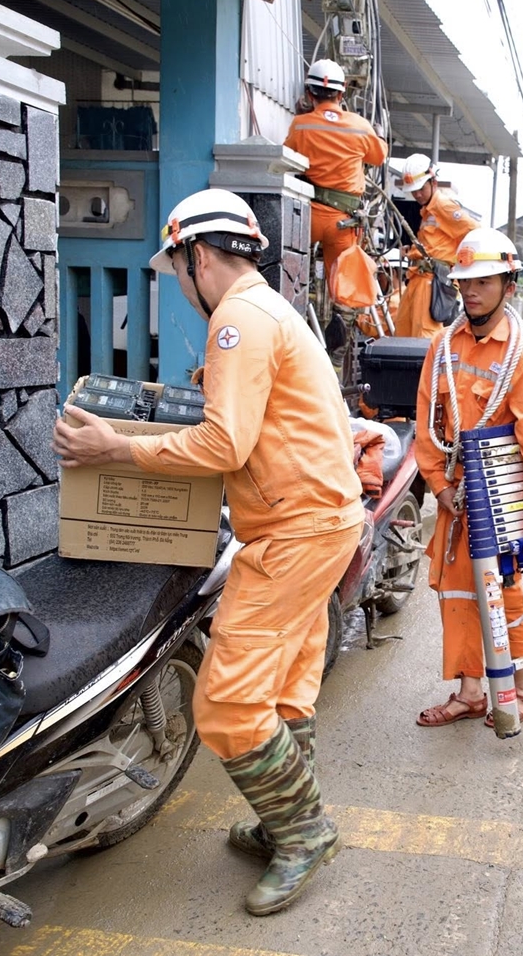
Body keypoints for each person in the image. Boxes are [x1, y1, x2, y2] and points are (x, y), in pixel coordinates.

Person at [52, 189, 362, 917]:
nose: (181, 288)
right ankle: (284, 816)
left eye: (178, 269)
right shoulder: (272, 311)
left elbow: (226, 444)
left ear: (196, 255)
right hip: (319, 519)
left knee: (224, 701)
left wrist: (115, 445)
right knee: (284, 685)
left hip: (294, 530)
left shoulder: (237, 322)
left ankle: (306, 830)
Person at [414, 229, 523, 727]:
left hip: (502, 498)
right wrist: (439, 485)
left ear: (509, 285)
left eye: (484, 281)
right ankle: (470, 691)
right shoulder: (442, 348)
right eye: (465, 282)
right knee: (456, 593)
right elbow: (428, 426)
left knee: (505, 595)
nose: (471, 291)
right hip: (457, 496)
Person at [284, 58, 387, 280]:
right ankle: (342, 313)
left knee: (291, 271)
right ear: (342, 94)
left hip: (309, 216)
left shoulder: (301, 125)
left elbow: (286, 158)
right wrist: (379, 134)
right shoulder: (360, 126)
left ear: (310, 94)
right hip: (343, 220)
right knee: (342, 281)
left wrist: (302, 118)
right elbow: (379, 157)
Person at [395, 153, 482, 339]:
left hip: (431, 281)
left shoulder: (443, 205)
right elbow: (434, 244)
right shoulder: (428, 210)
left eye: (421, 188)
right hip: (419, 278)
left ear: (433, 181)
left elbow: (475, 231)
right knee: (403, 332)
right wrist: (411, 251)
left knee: (424, 337)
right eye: (414, 190)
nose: (417, 194)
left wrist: (460, 266)